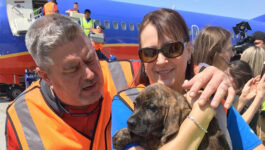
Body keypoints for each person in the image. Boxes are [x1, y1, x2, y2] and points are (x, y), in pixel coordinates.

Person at [5, 14, 236, 150]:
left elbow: (170, 71)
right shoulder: (24, 118)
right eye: (72, 69)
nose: (89, 74)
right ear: (45, 76)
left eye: (90, 59)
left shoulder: (124, 74)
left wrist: (211, 73)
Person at [111, 9, 264, 150]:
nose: (161, 61)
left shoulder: (214, 96)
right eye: (149, 53)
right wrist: (201, 115)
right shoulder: (127, 103)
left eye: (172, 49)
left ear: (189, 50)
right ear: (142, 59)